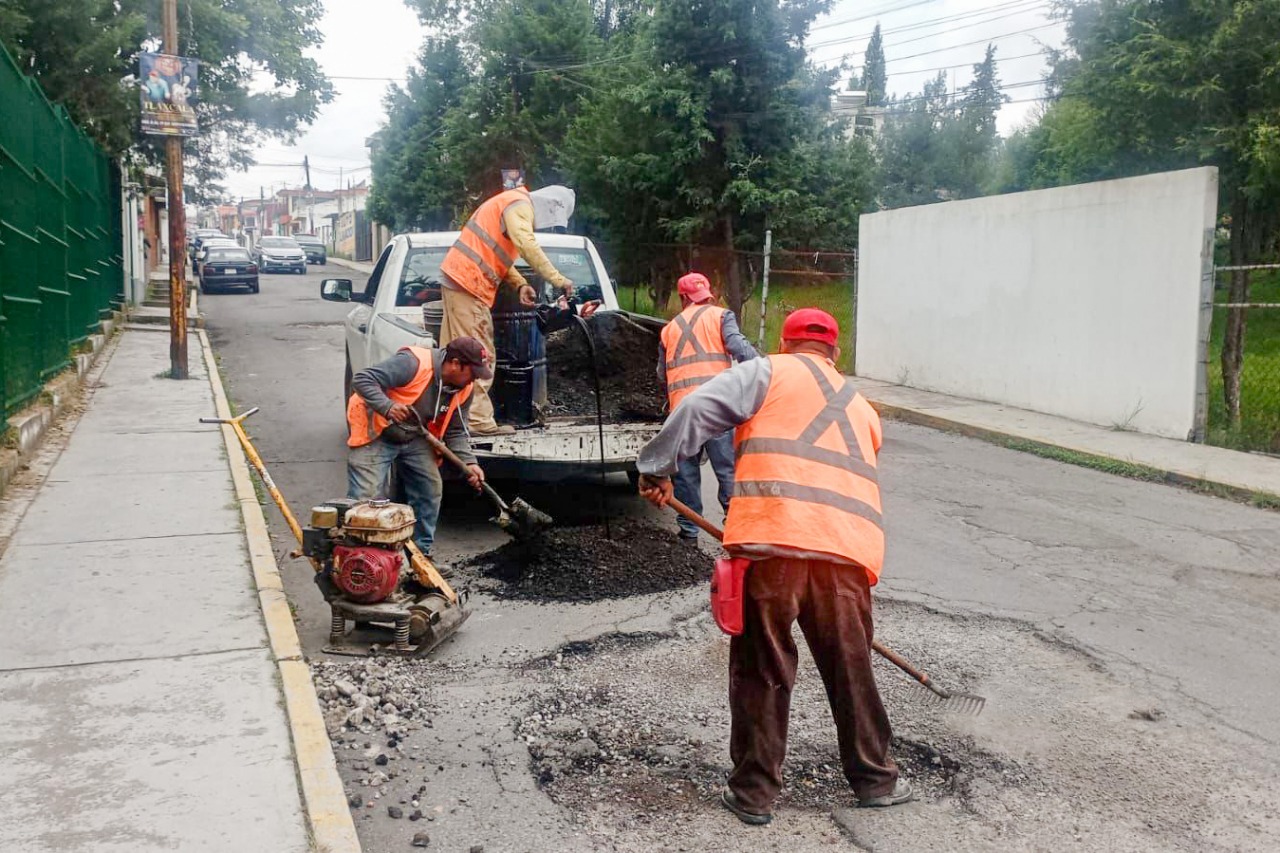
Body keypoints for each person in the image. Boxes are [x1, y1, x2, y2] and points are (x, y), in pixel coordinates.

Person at [635, 308, 912, 825]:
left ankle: (754, 795)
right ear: (835, 353)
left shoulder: (767, 371)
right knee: (851, 669)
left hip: (773, 545)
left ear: (785, 344)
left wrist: (655, 467)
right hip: (846, 555)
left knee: (762, 670)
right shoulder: (863, 407)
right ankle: (876, 781)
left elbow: (696, 408)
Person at [439, 181, 578, 435]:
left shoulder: (509, 202)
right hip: (469, 283)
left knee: (453, 356)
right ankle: (478, 421)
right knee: (479, 354)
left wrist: (520, 284)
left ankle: (450, 417)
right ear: (552, 208)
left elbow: (498, 255)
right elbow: (527, 245)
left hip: (458, 279)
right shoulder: (519, 205)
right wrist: (559, 279)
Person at [346, 337, 490, 557]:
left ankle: (419, 557)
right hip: (377, 429)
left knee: (429, 490)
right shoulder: (412, 363)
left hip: (414, 436)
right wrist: (387, 406)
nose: (475, 379)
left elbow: (455, 431)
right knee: (365, 499)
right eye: (473, 372)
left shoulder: (464, 389)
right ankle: (361, 559)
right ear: (455, 363)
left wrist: (470, 462)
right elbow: (362, 378)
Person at [656, 272, 757, 541]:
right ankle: (736, 528)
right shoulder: (721, 316)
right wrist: (763, 370)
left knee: (686, 474)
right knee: (727, 470)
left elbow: (661, 374)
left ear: (683, 297)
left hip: (683, 413)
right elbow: (740, 349)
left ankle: (689, 531)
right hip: (717, 408)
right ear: (707, 294)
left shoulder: (668, 329)